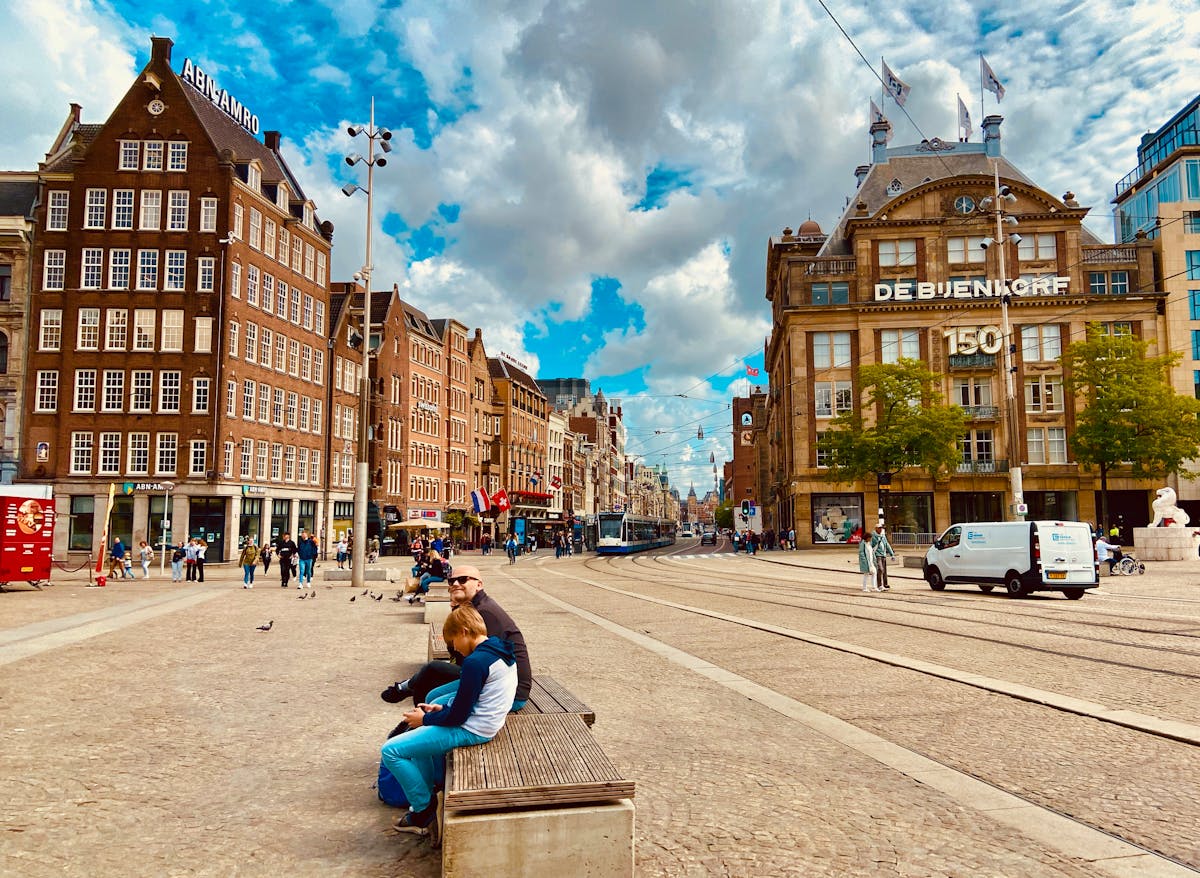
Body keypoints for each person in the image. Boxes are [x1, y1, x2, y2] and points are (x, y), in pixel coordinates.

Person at [380, 604, 518, 834]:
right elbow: (471, 700)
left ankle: (423, 811)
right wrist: (439, 707)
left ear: (464, 631)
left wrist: (424, 719)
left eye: (453, 642)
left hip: (473, 729)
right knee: (416, 745)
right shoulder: (497, 649)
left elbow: (459, 716)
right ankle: (424, 798)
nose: (455, 650)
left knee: (391, 750)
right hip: (486, 722)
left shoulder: (475, 662)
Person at [382, 564, 532, 717]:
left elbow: (471, 661)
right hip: (496, 681)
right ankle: (416, 711)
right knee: (431, 682)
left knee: (432, 677)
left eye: (462, 580)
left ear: (479, 585)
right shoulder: (474, 608)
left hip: (510, 693)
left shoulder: (484, 613)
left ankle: (418, 714)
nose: (455, 584)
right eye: (451, 581)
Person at [871, 523, 897, 591]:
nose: (880, 529)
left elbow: (887, 544)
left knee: (884, 571)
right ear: (876, 528)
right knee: (880, 569)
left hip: (883, 555)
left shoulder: (883, 536)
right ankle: (879, 585)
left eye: (881, 528)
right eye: (879, 528)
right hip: (877, 555)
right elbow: (870, 546)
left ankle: (885, 584)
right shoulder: (873, 536)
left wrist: (892, 554)